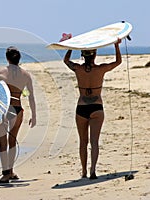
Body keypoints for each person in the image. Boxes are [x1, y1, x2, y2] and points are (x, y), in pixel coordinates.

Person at [63, 38, 122, 179]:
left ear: (83, 55)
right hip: (96, 107)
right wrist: (116, 45)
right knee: (94, 141)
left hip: (82, 107)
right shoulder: (101, 69)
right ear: (95, 55)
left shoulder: (78, 68)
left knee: (83, 141)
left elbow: (66, 61)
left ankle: (83, 171)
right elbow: (118, 62)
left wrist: (71, 47)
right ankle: (93, 170)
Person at [0, 46, 36, 184]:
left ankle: (5, 174)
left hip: (4, 110)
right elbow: (30, 96)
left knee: (2, 143)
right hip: (18, 110)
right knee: (12, 142)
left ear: (7, 58)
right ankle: (11, 171)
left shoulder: (0, 74)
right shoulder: (26, 75)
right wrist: (34, 115)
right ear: (19, 59)